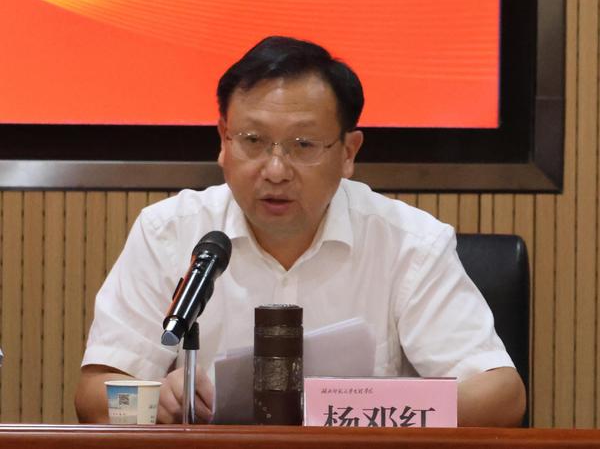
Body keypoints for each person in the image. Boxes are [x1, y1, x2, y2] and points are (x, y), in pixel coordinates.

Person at [75, 35, 526, 426]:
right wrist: (158, 401)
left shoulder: (409, 243)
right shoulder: (170, 232)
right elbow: (94, 397)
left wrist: (355, 408)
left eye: (303, 145)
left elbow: (500, 397)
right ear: (223, 141)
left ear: (348, 152)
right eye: (253, 141)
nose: (275, 170)